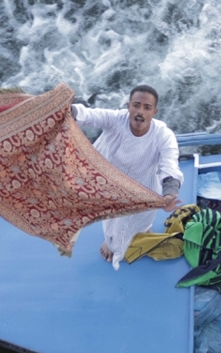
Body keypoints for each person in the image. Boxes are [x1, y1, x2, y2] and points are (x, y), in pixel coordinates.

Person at [71, 85, 183, 269]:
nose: (140, 112)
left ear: (154, 111)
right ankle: (112, 242)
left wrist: (169, 194)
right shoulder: (116, 119)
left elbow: (170, 165)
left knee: (139, 221)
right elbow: (89, 115)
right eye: (136, 105)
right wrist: (69, 110)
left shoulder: (164, 135)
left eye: (147, 107)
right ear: (128, 106)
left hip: (143, 186)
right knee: (112, 225)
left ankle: (136, 232)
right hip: (109, 180)